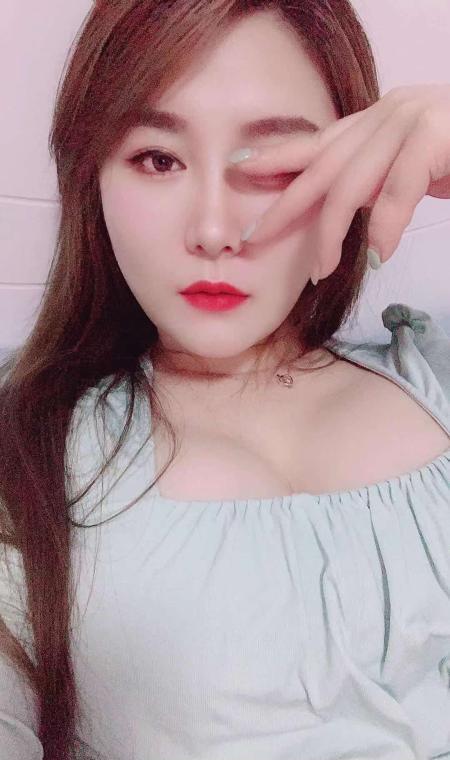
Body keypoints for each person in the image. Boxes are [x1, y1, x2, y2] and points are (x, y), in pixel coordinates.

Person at [0, 2, 449, 759]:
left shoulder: (429, 372)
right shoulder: (26, 449)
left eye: (272, 165)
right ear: (91, 177)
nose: (212, 229)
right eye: (158, 160)